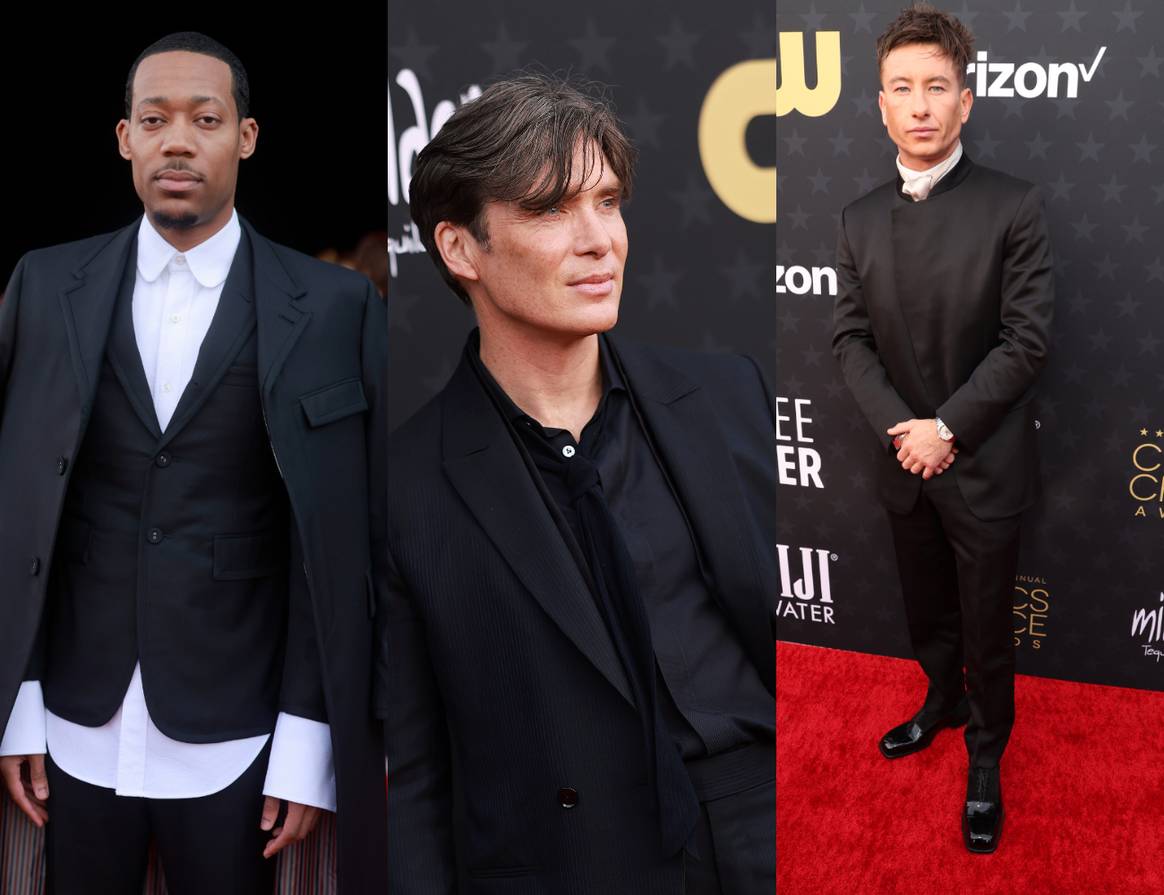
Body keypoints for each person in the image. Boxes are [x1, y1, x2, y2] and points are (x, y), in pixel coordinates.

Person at [0, 32, 387, 893]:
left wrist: (307, 736)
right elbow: (20, 509)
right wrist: (17, 702)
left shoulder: (335, 307)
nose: (179, 140)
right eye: (155, 118)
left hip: (243, 737)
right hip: (69, 724)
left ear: (245, 137)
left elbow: (334, 543)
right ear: (124, 139)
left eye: (205, 118)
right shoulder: (42, 285)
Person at [377, 74, 776, 893]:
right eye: (551, 209)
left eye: (607, 200)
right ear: (460, 249)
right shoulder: (407, 484)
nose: (600, 239)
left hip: (767, 833)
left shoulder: (730, 397)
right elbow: (418, 778)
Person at [832, 3, 1054, 854]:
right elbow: (849, 338)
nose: (919, 104)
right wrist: (902, 428)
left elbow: (1027, 339)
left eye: (937, 87)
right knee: (927, 609)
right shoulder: (855, 218)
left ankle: (987, 757)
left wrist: (947, 429)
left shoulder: (1014, 205)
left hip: (982, 461)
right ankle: (940, 700)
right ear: (879, 105)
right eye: (902, 88)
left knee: (989, 625)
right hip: (902, 460)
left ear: (967, 100)